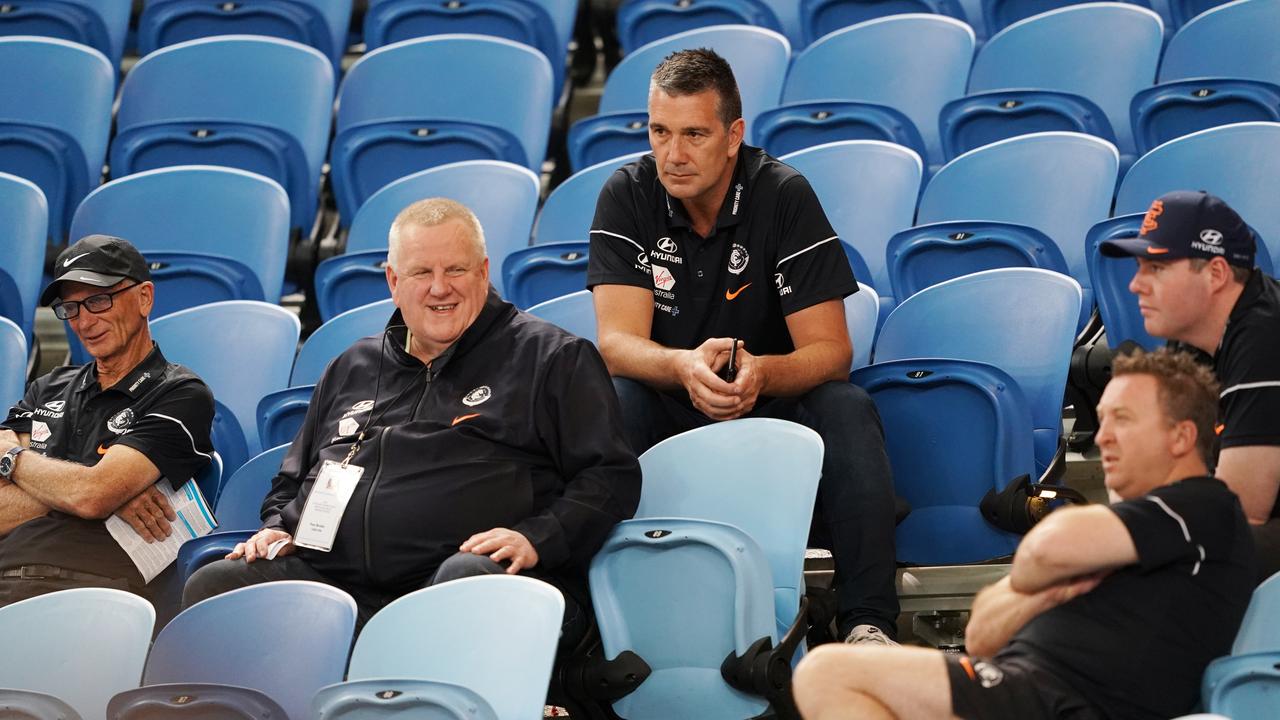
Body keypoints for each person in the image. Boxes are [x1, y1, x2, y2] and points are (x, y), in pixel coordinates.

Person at [184, 198, 642, 638]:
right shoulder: (350, 366)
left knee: (470, 576)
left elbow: (609, 476)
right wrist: (277, 529)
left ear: (483, 273)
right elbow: (290, 481)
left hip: (458, 576)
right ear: (392, 281)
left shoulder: (552, 357)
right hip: (333, 581)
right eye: (421, 272)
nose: (440, 288)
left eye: (456, 270)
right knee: (216, 583)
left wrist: (539, 538)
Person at [586, 47, 899, 643]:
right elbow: (616, 343)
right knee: (613, 399)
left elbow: (832, 351)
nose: (672, 155)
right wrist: (682, 367)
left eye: (694, 134)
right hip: (671, 399)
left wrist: (760, 374)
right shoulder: (627, 193)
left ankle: (868, 625)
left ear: (733, 136)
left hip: (773, 404)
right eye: (659, 132)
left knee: (846, 406)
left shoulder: (783, 194)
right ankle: (595, 627)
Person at [792, 349, 1256, 720]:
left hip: (1069, 700)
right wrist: (1053, 590)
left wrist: (1054, 567)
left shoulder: (1204, 506)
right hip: (1012, 685)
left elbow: (1043, 550)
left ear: (1181, 437)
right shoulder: (1117, 536)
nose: (1105, 436)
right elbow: (981, 632)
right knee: (826, 678)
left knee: (829, 673)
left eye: (1125, 419)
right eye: (1104, 418)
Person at [0, 235, 214, 607]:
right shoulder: (47, 386)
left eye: (98, 300)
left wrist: (12, 459)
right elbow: (89, 493)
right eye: (71, 308)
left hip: (88, 594)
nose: (84, 321)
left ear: (144, 297)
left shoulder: (180, 392)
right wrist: (95, 488)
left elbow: (92, 495)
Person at [1101, 190, 1280, 584]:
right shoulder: (1193, 337)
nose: (1135, 285)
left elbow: (1241, 510)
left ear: (1216, 274)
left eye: (1156, 268)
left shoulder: (1265, 335)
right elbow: (1132, 477)